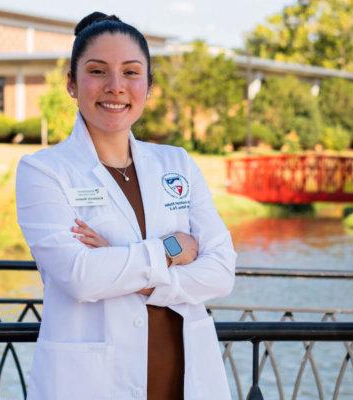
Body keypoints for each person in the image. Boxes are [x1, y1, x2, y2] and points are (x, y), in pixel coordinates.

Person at [15, 11, 236, 400]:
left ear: (148, 85)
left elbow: (221, 272)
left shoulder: (177, 163)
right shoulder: (43, 171)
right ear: (71, 82)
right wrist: (170, 250)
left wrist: (121, 262)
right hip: (92, 384)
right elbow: (81, 276)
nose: (115, 87)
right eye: (98, 71)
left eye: (131, 73)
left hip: (186, 379)